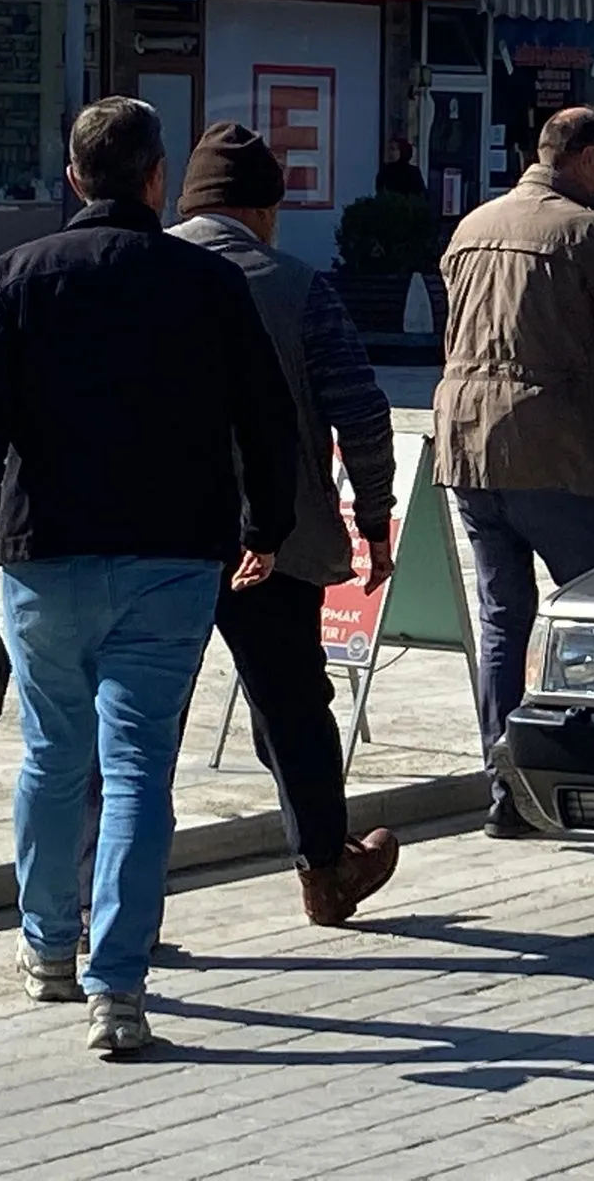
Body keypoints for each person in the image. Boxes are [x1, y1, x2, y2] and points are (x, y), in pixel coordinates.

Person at [0, 97, 297, 1057]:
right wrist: (269, 525)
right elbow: (267, 416)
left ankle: (49, 950)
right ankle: (119, 988)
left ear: (72, 178)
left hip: (44, 555)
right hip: (173, 556)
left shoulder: (18, 277)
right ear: (153, 178)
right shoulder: (206, 283)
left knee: (54, 758)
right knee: (138, 765)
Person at [171, 123, 403, 926]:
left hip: (155, 537)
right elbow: (363, 416)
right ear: (263, 211)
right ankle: (325, 867)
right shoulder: (296, 285)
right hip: (276, 538)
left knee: (141, 717)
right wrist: (375, 521)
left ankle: (112, 892)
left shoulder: (140, 270)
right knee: (292, 706)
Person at [433, 107, 594, 839]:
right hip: (553, 447)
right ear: (584, 158)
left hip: (465, 443)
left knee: (503, 618)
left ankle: (506, 791)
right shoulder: (590, 233)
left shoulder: (471, 226)